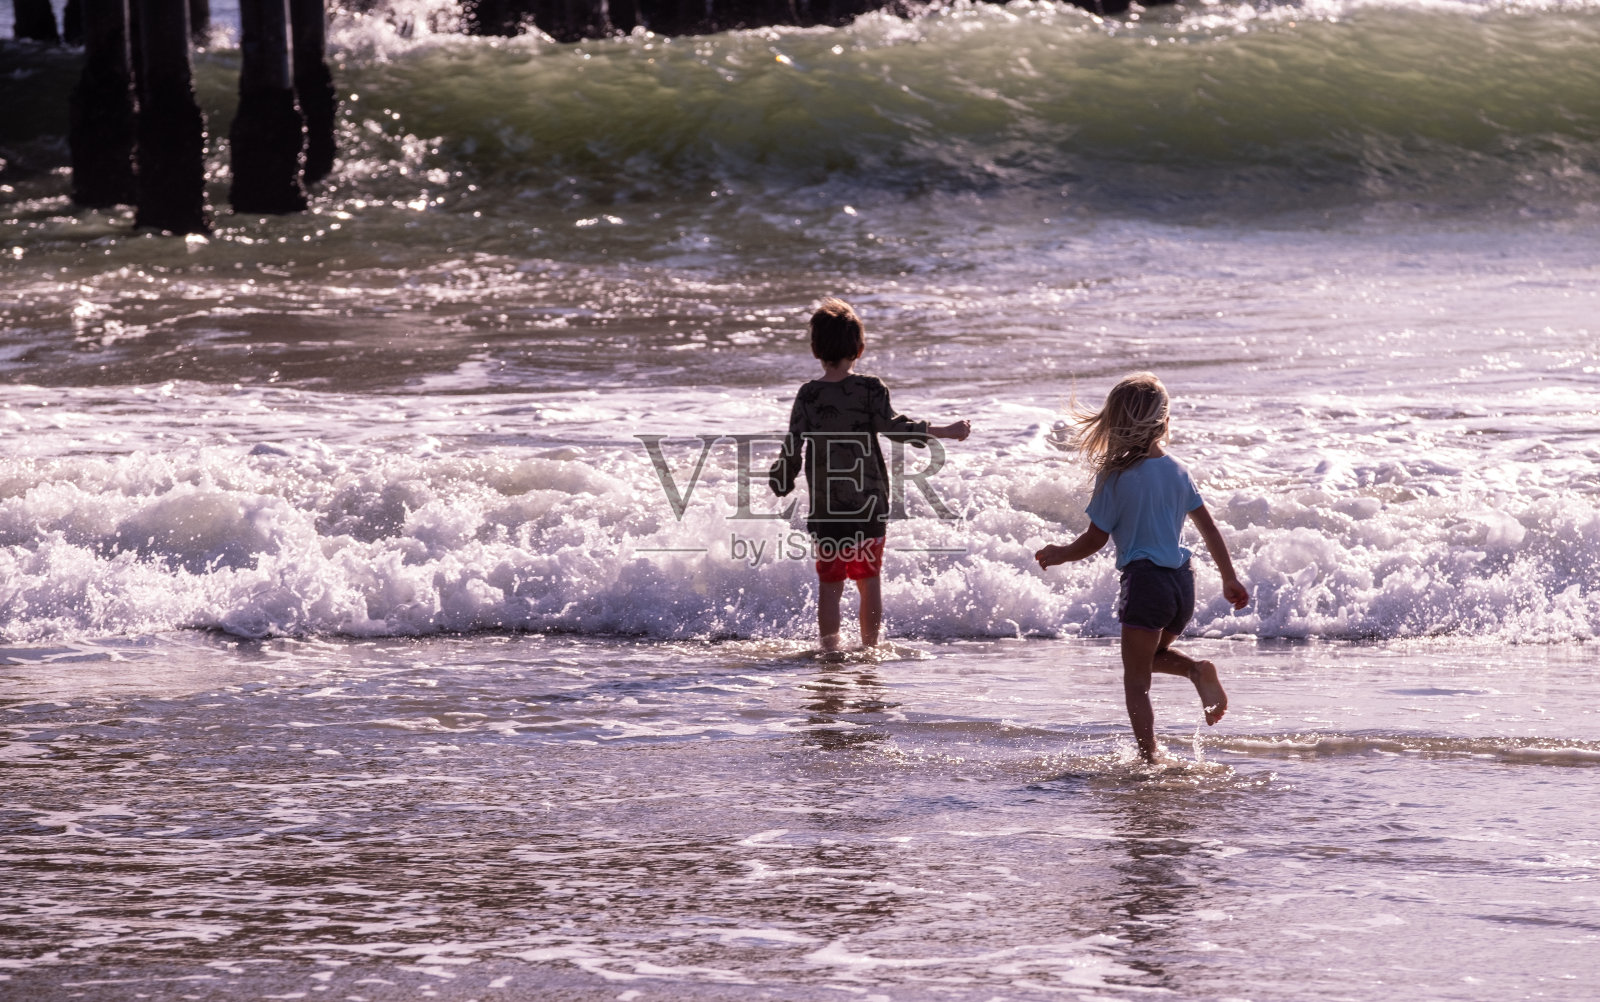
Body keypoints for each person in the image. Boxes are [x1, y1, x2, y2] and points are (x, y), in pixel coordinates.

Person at [1034, 372, 1249, 762]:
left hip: (1145, 583)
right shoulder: (1178, 470)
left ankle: (1149, 756)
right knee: (1148, 658)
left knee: (1136, 680)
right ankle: (1195, 671)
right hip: (1183, 586)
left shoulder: (1115, 478)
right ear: (1165, 423)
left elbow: (1094, 540)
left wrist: (1059, 553)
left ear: (1112, 424)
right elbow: (1210, 527)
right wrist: (1228, 577)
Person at [770, 298, 970, 651]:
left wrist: (782, 479)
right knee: (868, 580)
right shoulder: (869, 389)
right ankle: (869, 650)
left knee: (830, 586)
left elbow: (792, 445)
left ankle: (830, 652)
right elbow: (895, 427)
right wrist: (945, 431)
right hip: (869, 504)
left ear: (816, 349)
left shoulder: (809, 395)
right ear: (859, 349)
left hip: (827, 508)